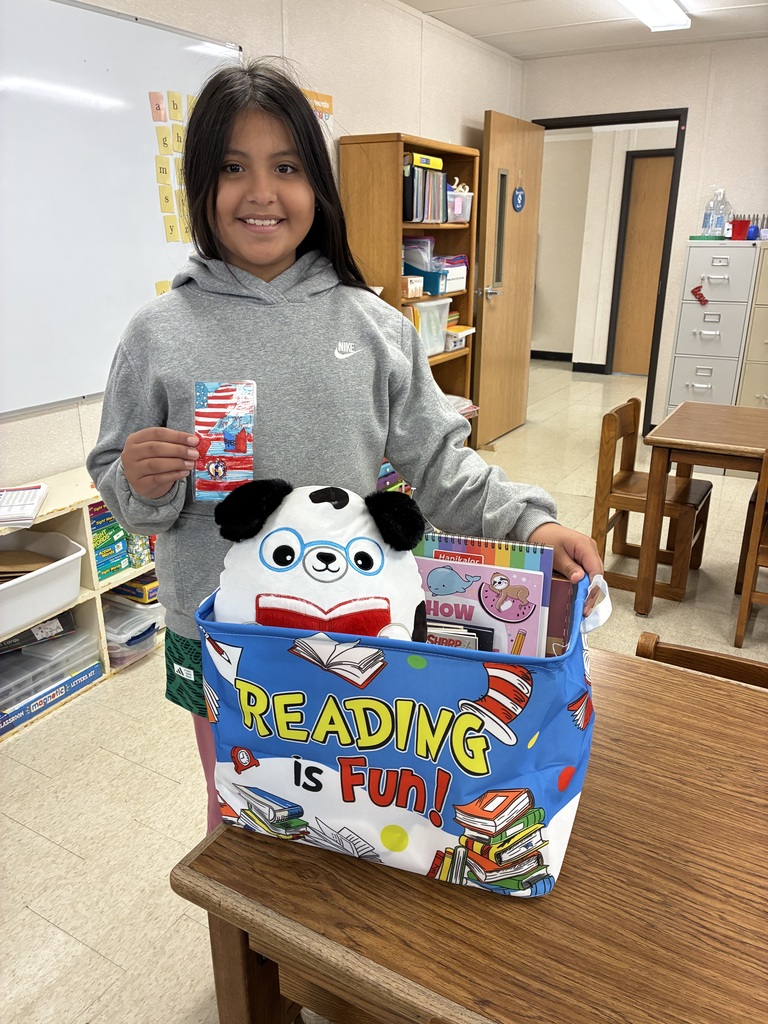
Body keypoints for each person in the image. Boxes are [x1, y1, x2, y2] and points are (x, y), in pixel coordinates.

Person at [87, 59, 602, 841]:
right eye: (233, 168)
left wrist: (529, 524)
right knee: (243, 811)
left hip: (355, 630)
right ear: (201, 186)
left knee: (359, 801)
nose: (261, 192)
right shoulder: (156, 334)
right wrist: (137, 477)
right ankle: (252, 949)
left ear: (317, 188)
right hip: (223, 638)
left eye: (286, 167)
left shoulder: (374, 327)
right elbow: (122, 487)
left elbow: (441, 463)